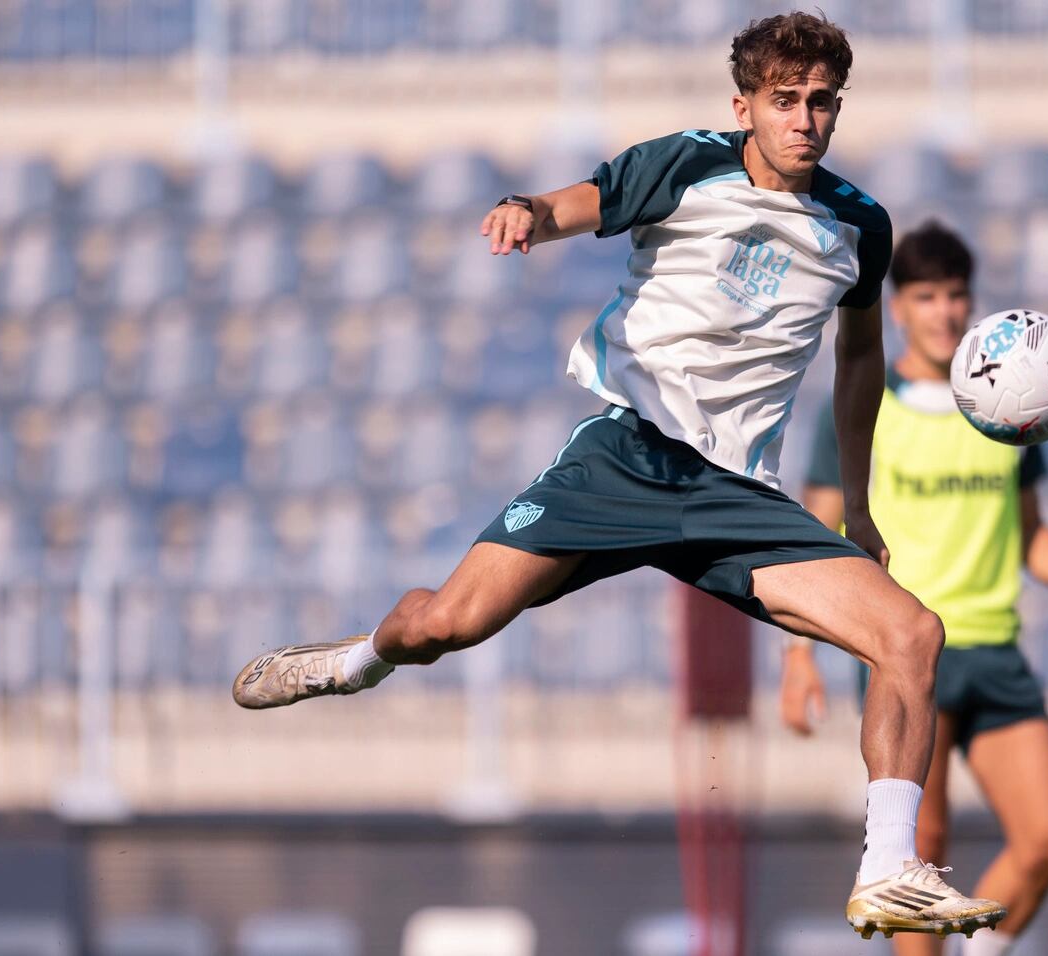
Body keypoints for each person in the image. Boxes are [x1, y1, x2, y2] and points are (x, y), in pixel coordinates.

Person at [229, 12, 1006, 940]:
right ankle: (356, 663)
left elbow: (860, 360)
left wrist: (862, 506)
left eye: (821, 102)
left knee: (912, 633)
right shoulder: (685, 163)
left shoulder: (859, 227)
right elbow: (574, 204)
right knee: (447, 623)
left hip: (737, 499)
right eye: (784, 100)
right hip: (627, 457)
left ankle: (888, 866)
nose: (804, 120)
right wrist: (525, 211)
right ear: (744, 104)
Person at [778, 221, 1048, 955]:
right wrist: (798, 655)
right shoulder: (866, 405)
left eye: (956, 296)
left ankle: (986, 947)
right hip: (906, 659)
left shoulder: (1010, 407)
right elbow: (812, 536)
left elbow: (1030, 534)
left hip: (993, 650)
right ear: (898, 309)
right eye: (926, 297)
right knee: (916, 855)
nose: (944, 312)